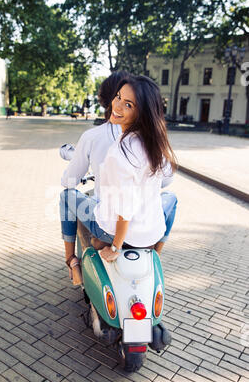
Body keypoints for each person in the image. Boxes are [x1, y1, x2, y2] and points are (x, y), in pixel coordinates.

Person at [60, 74, 177, 285]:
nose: (118, 106)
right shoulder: (154, 144)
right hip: (149, 232)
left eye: (128, 104)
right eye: (118, 97)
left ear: (142, 111)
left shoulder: (119, 151)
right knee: (171, 199)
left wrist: (116, 246)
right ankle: (156, 254)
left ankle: (71, 261)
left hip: (116, 230)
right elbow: (164, 181)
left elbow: (125, 204)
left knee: (66, 195)